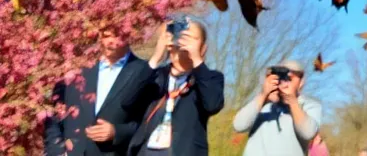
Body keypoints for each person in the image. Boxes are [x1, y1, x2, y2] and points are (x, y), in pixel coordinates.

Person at [43, 26, 152, 155]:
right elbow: (55, 114)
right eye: (106, 36)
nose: (110, 42)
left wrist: (117, 132)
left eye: (116, 35)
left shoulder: (144, 72)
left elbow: (149, 122)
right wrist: (57, 150)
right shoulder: (79, 69)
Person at [127, 17, 225, 154]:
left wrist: (196, 59)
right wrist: (157, 56)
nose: (183, 42)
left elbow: (213, 104)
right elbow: (128, 101)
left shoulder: (209, 79)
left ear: (203, 48)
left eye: (191, 38)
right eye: (181, 36)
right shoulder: (155, 75)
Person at [232, 59, 322, 155]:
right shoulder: (263, 103)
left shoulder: (309, 105)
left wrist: (292, 101)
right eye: (281, 76)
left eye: (289, 77)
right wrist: (263, 95)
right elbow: (239, 126)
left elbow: (308, 133)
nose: (284, 81)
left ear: (301, 82)